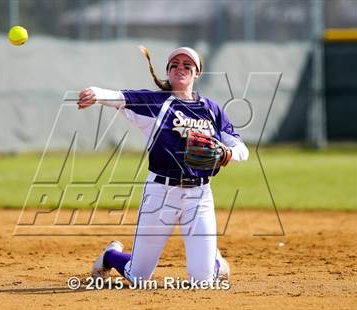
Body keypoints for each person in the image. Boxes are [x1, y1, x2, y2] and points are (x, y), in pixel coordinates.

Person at [77, 46, 249, 285]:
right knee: (138, 277)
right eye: (175, 64)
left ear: (197, 73)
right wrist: (94, 93)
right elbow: (119, 97)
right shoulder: (156, 103)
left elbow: (242, 148)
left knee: (203, 282)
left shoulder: (211, 109)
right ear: (167, 71)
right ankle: (110, 255)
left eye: (187, 65)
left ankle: (213, 263)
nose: (181, 68)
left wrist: (229, 153)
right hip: (160, 194)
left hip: (200, 196)